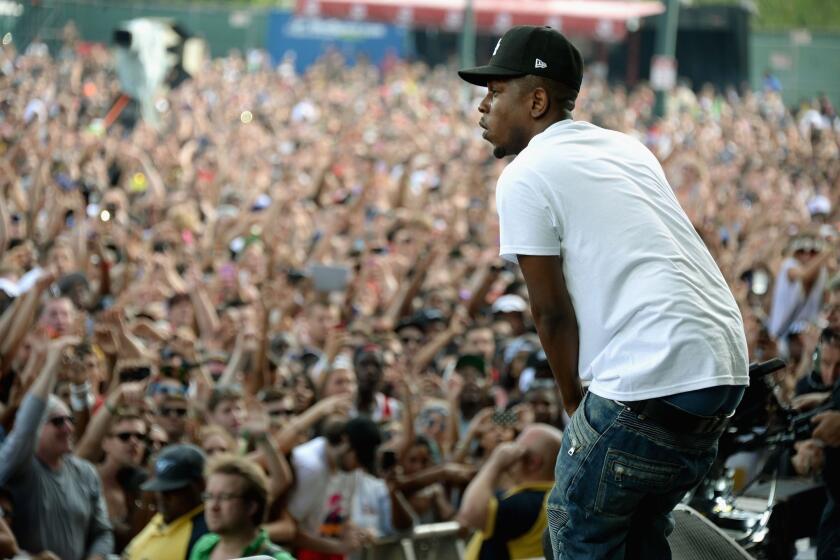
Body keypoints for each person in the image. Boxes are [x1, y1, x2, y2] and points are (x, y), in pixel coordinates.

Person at [458, 25, 749, 558]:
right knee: (639, 541)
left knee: (573, 538)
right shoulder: (625, 148)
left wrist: (573, 402)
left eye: (496, 92)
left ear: (538, 100)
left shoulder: (525, 174)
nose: (483, 106)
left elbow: (550, 312)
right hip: (721, 374)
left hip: (650, 376)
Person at [0, 336, 114, 560]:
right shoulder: (18, 468)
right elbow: (26, 426)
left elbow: (103, 533)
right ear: (37, 429)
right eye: (57, 422)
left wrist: (96, 557)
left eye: (69, 419)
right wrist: (51, 363)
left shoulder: (85, 472)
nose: (68, 428)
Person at [457, 424, 563, 559]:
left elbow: (470, 513)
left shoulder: (526, 504)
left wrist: (496, 462)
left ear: (533, 463)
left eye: (517, 448)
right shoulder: (555, 498)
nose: (510, 451)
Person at [190, 455, 293, 560]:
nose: (213, 506)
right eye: (209, 496)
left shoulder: (278, 558)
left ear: (251, 506)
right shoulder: (203, 547)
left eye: (224, 497)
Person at [123, 444, 209, 560]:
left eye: (172, 490)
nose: (162, 496)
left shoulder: (203, 534)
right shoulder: (163, 517)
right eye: (160, 489)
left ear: (199, 486)